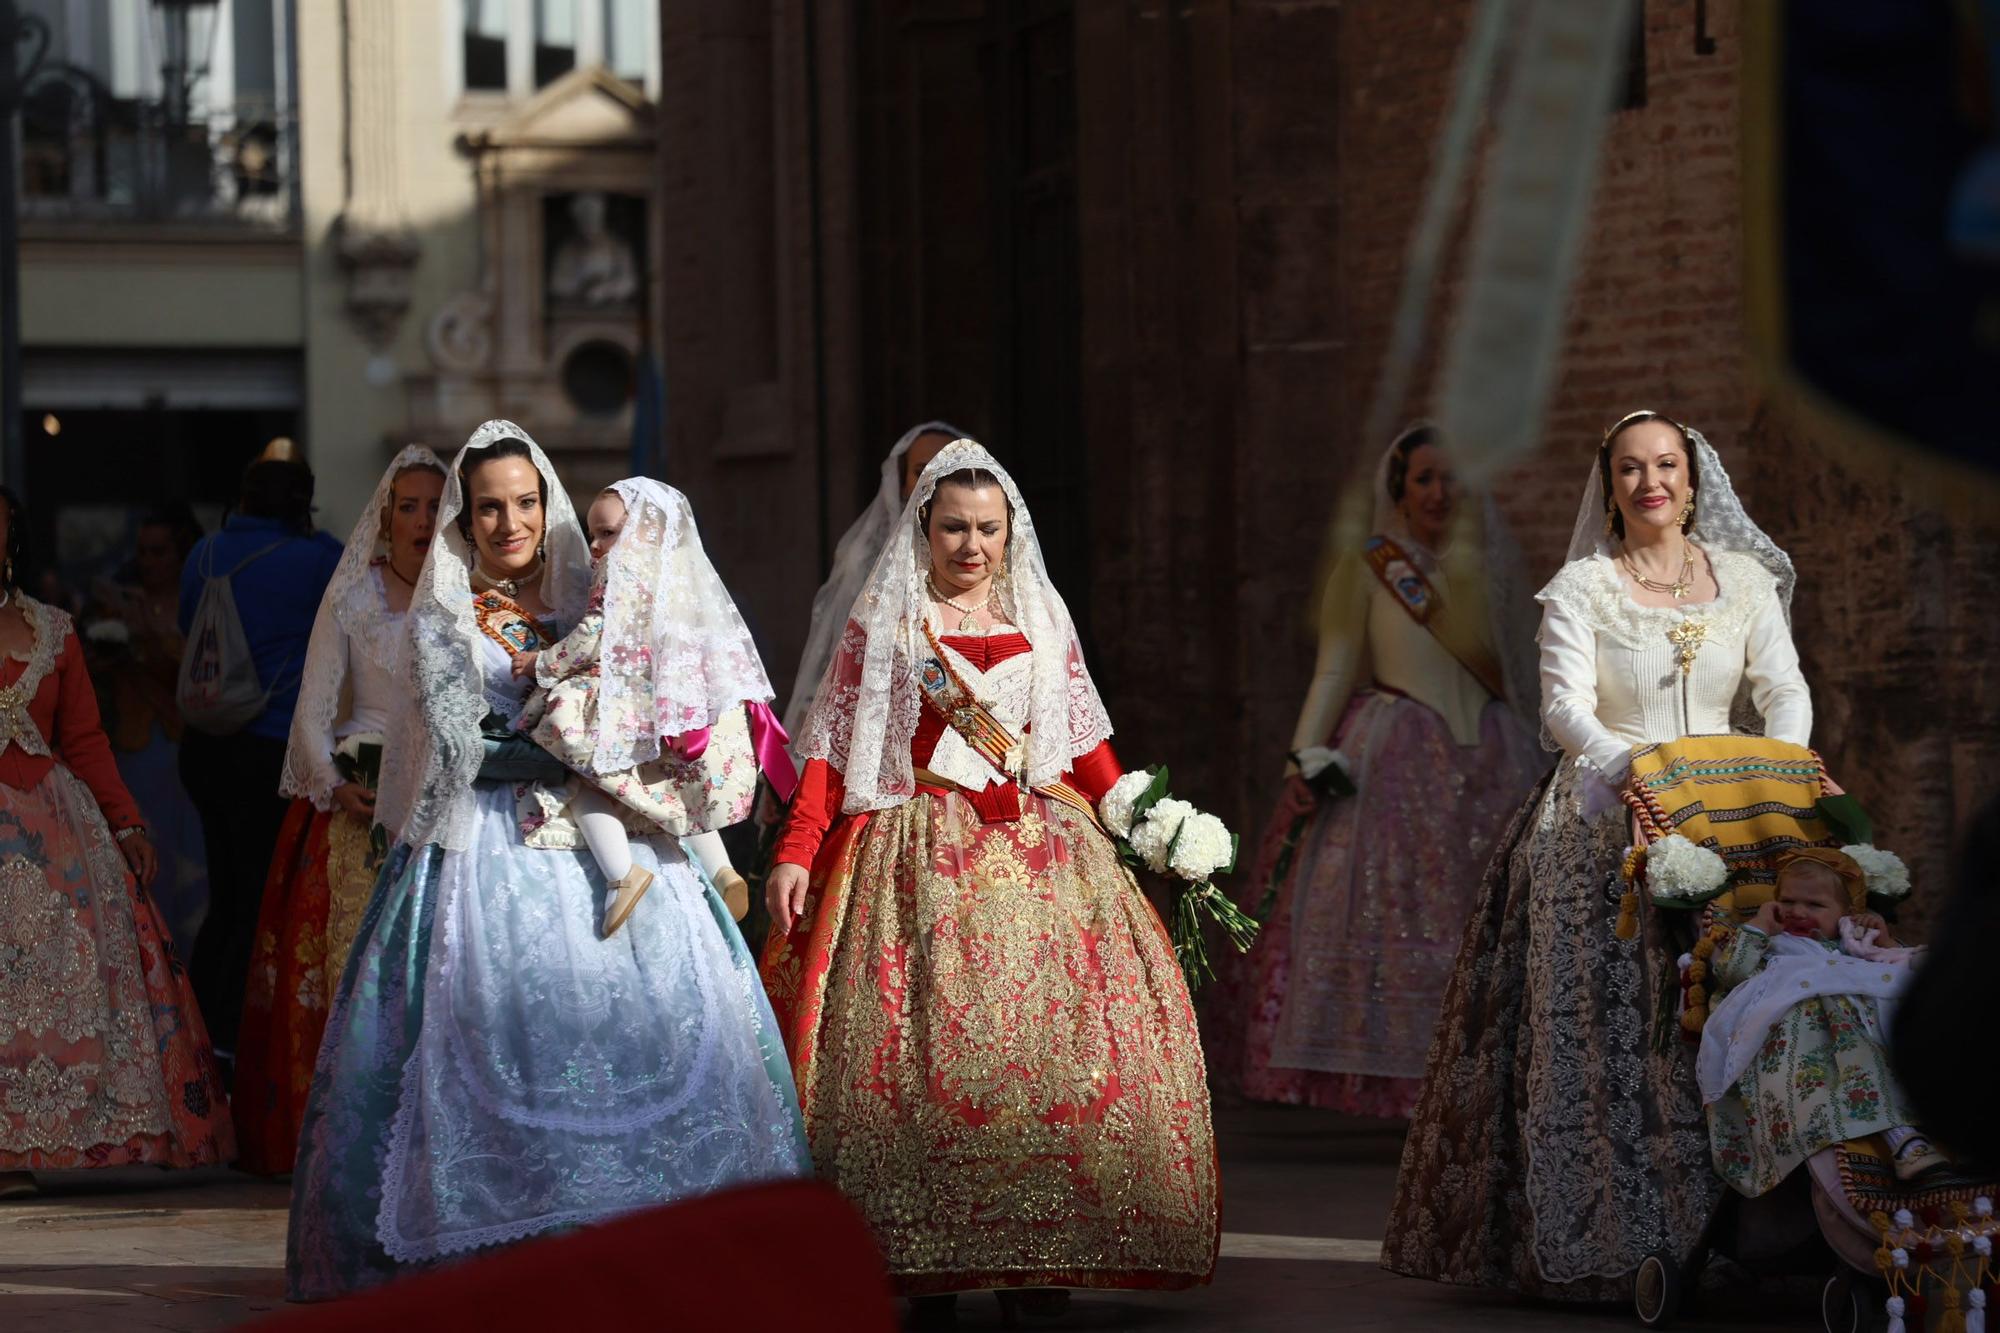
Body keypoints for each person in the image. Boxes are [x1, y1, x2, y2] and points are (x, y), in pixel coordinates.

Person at [286, 422, 808, 1300]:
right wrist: (582, 748)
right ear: (464, 518)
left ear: (546, 503)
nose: (509, 522)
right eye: (488, 507)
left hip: (622, 839)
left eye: (524, 502)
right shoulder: (443, 621)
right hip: (485, 847)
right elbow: (464, 749)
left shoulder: (590, 597)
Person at [761, 438, 1219, 1316]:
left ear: (1013, 532)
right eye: (954, 528)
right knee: (917, 1067)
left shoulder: (1044, 621)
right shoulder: (887, 626)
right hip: (912, 862)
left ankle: (1035, 1263)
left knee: (1045, 1066)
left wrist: (1155, 823)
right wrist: (796, 848)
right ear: (923, 531)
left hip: (1041, 865)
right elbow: (827, 753)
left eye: (988, 529)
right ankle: (928, 1265)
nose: (972, 546)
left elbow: (1087, 753)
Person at [1382, 411, 1814, 1300]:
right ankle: (1621, 1238)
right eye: (1629, 468)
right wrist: (1642, 775)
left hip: (1735, 814)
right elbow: (1564, 710)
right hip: (1606, 818)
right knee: (1622, 1031)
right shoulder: (1583, 586)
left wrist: (1777, 776)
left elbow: (1785, 691)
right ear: (1609, 485)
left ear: (1694, 480)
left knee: (1746, 1007)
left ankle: (1764, 1228)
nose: (1650, 481)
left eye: (1665, 465)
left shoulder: (1744, 579)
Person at [1211, 424, 1543, 1117]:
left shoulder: (1494, 568)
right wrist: (1305, 752)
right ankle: (1385, 1084)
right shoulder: (1370, 565)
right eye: (1423, 478)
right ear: (1399, 488)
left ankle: (1488, 1073)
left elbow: (1522, 665)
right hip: (1393, 755)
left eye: (1450, 477)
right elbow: (1335, 665)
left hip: (1494, 756)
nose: (1438, 491)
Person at [0, 486, 234, 1200]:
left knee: (52, 985)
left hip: (52, 829)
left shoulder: (53, 628)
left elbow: (87, 741)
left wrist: (126, 822)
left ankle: (37, 1140)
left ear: (12, 537)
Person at [231, 447, 445, 1176]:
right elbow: (313, 714)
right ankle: (349, 1141)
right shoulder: (354, 597)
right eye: (406, 505)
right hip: (362, 799)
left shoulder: (468, 596)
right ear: (385, 519)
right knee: (359, 973)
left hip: (446, 800)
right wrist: (333, 781)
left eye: (431, 504)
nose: (420, 518)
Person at [510, 479, 788, 934]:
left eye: (609, 533)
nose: (597, 546)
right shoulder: (680, 574)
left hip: (622, 700)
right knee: (679, 797)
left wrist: (542, 662)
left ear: (645, 530)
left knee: (585, 782)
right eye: (593, 535)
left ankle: (621, 874)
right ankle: (722, 871)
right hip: (672, 703)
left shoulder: (619, 572)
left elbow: (592, 636)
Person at [178, 458, 342, 1069]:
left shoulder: (204, 553)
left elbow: (183, 625)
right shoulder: (314, 559)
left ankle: (194, 1033)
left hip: (204, 745)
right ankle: (240, 1039)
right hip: (271, 746)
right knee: (260, 899)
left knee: (225, 896)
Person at [1699, 847, 1944, 1195]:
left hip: (1860, 1029)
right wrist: (1759, 926)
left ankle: (1909, 1134)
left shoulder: (1851, 945)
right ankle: (1898, 1138)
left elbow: (1894, 967)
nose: (1798, 912)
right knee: (1839, 1049)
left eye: (1815, 905)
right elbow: (1731, 973)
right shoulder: (1772, 945)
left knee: (1889, 1035)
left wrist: (1884, 940)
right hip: (1800, 1032)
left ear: (1848, 912)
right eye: (1787, 901)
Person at [779, 421, 968, 749]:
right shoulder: (867, 560)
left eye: (949, 469)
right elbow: (841, 662)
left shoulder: (986, 555)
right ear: (902, 483)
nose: (935, 481)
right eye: (922, 470)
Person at [84, 503, 208, 956]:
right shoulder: (114, 602)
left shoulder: (194, 605)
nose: (149, 562)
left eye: (159, 552)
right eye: (143, 552)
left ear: (180, 556)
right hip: (132, 748)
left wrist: (148, 635)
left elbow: (197, 676)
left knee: (186, 865)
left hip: (179, 749)